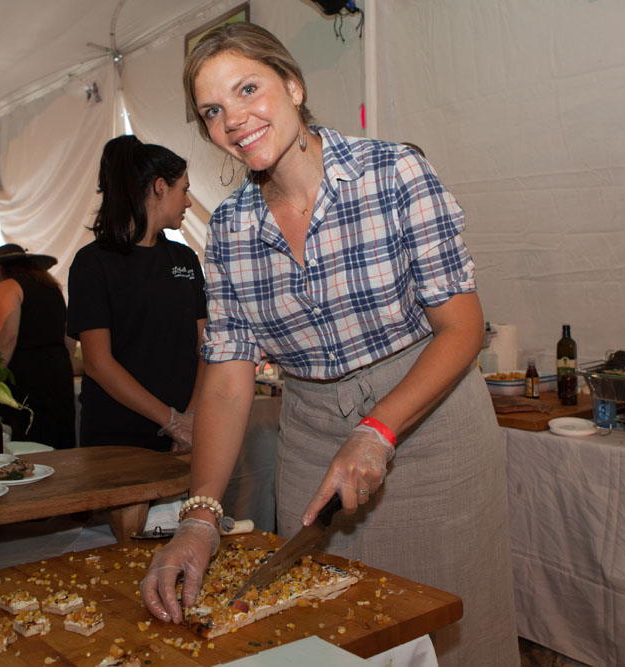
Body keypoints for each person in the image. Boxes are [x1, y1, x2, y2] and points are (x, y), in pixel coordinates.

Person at [140, 23, 519, 667]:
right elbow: (228, 379)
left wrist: (378, 430)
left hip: (429, 428)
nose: (234, 119)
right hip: (312, 438)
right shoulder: (229, 229)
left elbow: (462, 328)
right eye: (213, 110)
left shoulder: (393, 174)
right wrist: (200, 519)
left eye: (248, 89)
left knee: (453, 632)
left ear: (293, 85)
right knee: (329, 636)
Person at [66, 135, 206, 452]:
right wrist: (172, 421)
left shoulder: (184, 260)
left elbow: (205, 346)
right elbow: (98, 363)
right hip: (117, 438)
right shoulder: (93, 264)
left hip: (184, 437)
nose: (188, 202)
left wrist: (192, 419)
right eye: (183, 189)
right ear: (160, 187)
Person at [0, 244, 76, 449]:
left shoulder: (8, 285)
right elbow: (69, 335)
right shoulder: (52, 288)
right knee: (57, 439)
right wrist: (62, 365)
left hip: (27, 372)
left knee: (29, 440)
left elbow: (8, 336)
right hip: (58, 369)